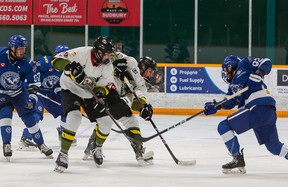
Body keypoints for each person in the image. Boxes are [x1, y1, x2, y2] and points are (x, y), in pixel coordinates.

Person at [52, 36, 153, 173]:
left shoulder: (107, 67)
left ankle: (96, 146)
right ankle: (63, 154)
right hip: (70, 88)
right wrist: (70, 68)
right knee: (74, 117)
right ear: (98, 52)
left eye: (110, 54)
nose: (108, 56)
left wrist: (100, 96)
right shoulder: (83, 53)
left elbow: (101, 87)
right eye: (106, 53)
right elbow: (57, 59)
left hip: (89, 92)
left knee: (106, 122)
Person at [204, 55, 288, 174]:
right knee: (274, 147)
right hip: (266, 111)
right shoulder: (232, 87)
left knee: (224, 126)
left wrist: (259, 73)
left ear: (231, 66)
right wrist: (217, 105)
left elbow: (266, 61)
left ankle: (237, 158)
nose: (225, 73)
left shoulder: (244, 64)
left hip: (257, 107)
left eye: (226, 70)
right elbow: (230, 101)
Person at [82, 51, 155, 166]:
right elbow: (112, 54)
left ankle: (92, 146)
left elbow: (136, 101)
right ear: (143, 67)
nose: (151, 75)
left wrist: (143, 108)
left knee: (118, 121)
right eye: (150, 71)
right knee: (113, 120)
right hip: (102, 90)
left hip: (113, 97)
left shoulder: (141, 85)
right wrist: (118, 64)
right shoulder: (132, 62)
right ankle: (137, 150)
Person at [0, 35, 53, 160]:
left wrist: (32, 98)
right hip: (2, 93)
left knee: (30, 119)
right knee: (5, 114)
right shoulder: (1, 55)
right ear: (11, 48)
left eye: (23, 48)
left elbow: (34, 84)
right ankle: (6, 144)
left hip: (19, 93)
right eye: (19, 48)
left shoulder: (27, 63)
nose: (22, 51)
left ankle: (41, 144)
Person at [18, 44, 76, 150]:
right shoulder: (45, 62)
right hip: (38, 92)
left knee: (65, 110)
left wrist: (63, 100)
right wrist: (29, 86)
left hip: (50, 93)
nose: (65, 58)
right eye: (63, 55)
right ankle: (25, 138)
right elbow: (32, 72)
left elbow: (60, 87)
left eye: (67, 55)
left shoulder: (67, 69)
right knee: (36, 114)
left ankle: (63, 133)